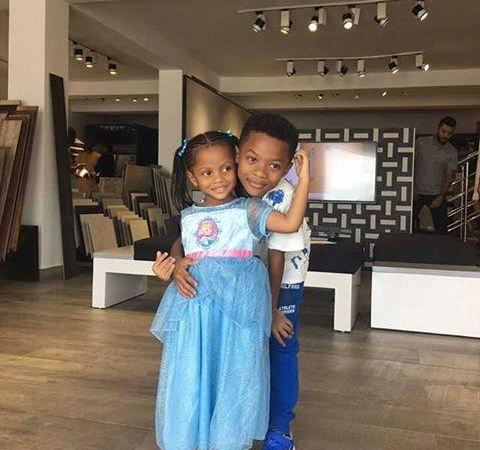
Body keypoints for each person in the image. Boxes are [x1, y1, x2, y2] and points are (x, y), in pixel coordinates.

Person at [155, 114, 311, 450]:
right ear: (238, 154)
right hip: (222, 292)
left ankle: (279, 427)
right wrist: (178, 262)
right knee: (211, 356)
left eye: (273, 165)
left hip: (284, 276)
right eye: (252, 160)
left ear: (286, 168)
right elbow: (189, 236)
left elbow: (275, 255)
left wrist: (272, 310)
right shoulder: (230, 183)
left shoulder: (278, 196)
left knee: (280, 346)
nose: (259, 172)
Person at [413, 116, 458, 233]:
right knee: (406, 225)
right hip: (416, 192)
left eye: (449, 133)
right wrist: (412, 187)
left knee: (442, 230)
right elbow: (410, 164)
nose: (445, 135)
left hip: (436, 194)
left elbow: (450, 177)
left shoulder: (452, 151)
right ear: (438, 129)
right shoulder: (421, 143)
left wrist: (441, 197)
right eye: (443, 131)